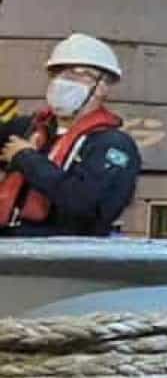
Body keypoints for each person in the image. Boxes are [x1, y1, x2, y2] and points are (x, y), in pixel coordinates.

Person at [0, 33, 140, 237]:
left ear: (101, 87)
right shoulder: (29, 128)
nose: (61, 81)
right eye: (57, 73)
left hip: (66, 257)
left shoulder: (113, 146)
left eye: (76, 73)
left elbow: (85, 204)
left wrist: (26, 158)